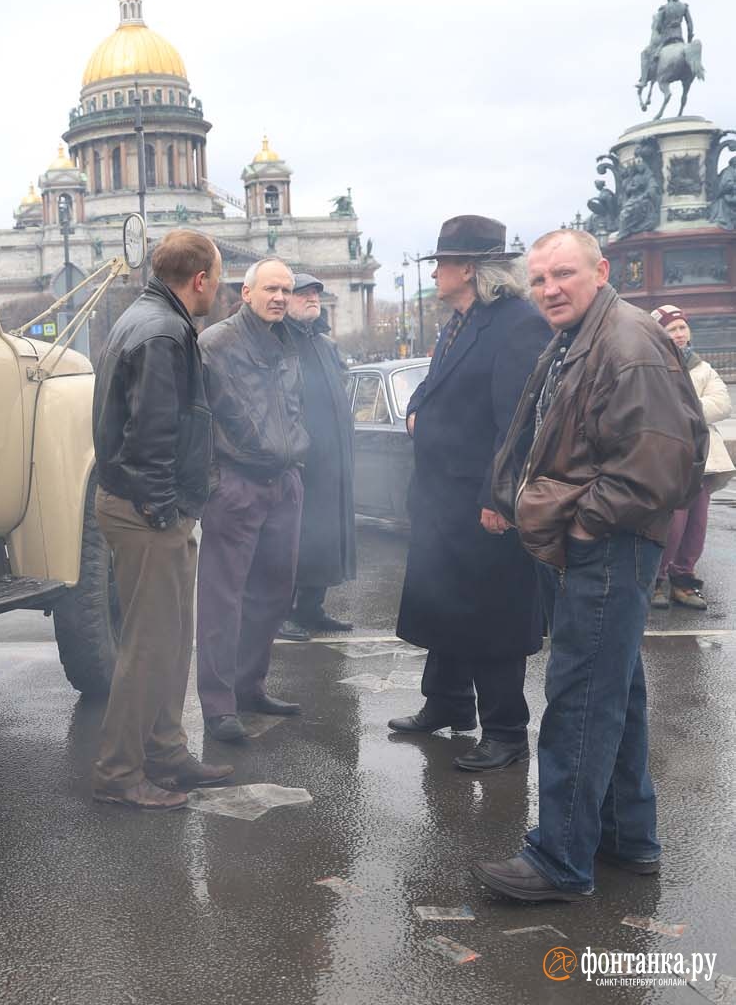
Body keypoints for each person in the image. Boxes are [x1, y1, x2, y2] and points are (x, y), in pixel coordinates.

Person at [474, 229, 706, 902]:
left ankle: (558, 861)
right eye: (539, 278)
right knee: (616, 694)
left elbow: (655, 463)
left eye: (563, 274)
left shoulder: (626, 342)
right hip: (596, 543)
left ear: (600, 270)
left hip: (605, 545)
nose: (549, 289)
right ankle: (626, 839)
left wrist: (582, 527)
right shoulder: (582, 334)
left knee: (579, 701)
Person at [389, 215, 549, 772]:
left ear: (470, 269)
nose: (435, 273)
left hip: (483, 503)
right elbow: (431, 391)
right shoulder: (460, 321)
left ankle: (506, 731)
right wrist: (415, 413)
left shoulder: (516, 324)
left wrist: (497, 498)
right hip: (443, 500)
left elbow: (518, 423)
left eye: (442, 264)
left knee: (491, 617)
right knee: (447, 605)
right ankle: (449, 702)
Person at [89, 229, 233, 810]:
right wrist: (163, 511)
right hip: (148, 512)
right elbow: (152, 434)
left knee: (172, 638)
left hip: (150, 506)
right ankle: (119, 772)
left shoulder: (149, 319)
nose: (218, 291)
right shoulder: (164, 331)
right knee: (149, 645)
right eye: (217, 281)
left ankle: (166, 750)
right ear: (199, 280)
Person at [194, 257, 309, 743]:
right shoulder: (215, 344)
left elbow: (292, 406)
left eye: (286, 289)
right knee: (223, 600)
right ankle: (218, 706)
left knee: (274, 593)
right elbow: (195, 416)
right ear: (246, 292)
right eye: (270, 289)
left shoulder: (288, 341)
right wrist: (213, 479)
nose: (280, 297)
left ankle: (249, 687)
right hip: (236, 484)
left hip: (283, 483)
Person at [277, 273, 356, 641]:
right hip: (301, 459)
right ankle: (282, 613)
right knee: (296, 539)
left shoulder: (323, 342)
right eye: (303, 293)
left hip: (332, 460)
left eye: (315, 294)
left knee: (325, 538)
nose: (312, 299)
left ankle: (312, 608)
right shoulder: (280, 341)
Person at [648, 304, 735, 609]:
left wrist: (683, 409)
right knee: (672, 525)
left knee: (697, 524)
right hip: (671, 460)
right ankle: (656, 579)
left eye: (682, 327)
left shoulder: (702, 367)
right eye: (672, 329)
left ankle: (683, 580)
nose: (680, 334)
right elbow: (654, 408)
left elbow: (722, 403)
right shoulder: (652, 367)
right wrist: (695, 410)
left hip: (704, 460)